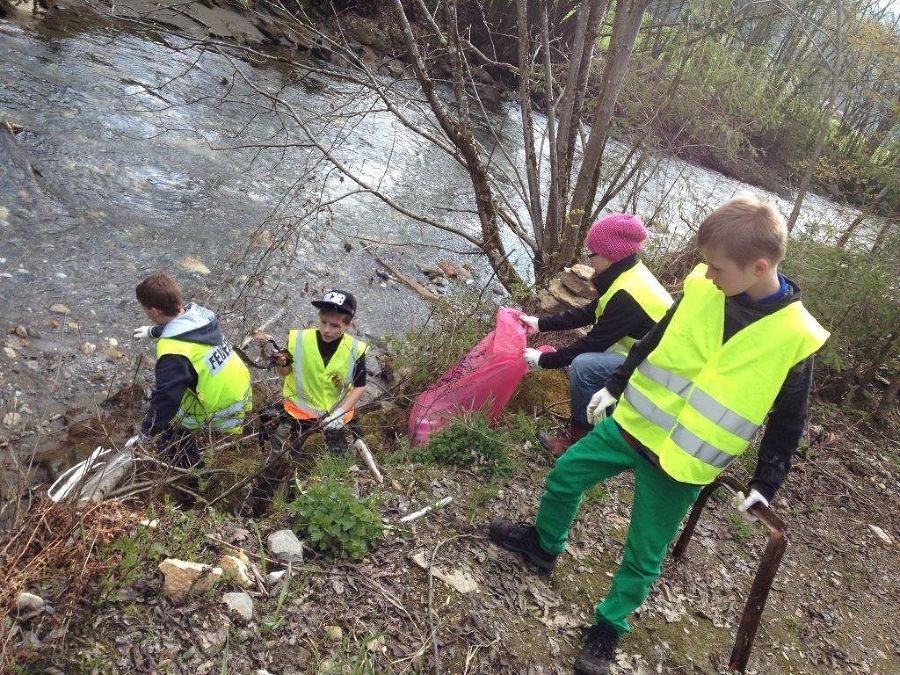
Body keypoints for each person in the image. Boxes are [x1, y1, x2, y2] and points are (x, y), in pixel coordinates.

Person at [490, 195, 829, 674]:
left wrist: (766, 483)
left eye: (717, 267)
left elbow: (789, 420)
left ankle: (608, 627)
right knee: (565, 474)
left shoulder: (795, 335)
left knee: (644, 551)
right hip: (636, 423)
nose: (707, 274)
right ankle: (543, 546)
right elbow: (656, 340)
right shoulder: (704, 288)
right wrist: (614, 384)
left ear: (757, 266)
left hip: (684, 460)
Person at [519, 213, 672, 456]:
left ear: (610, 254)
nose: (589, 260)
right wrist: (540, 323)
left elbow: (592, 343)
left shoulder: (629, 293)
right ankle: (601, 431)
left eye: (592, 253)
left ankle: (580, 444)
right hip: (642, 356)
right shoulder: (629, 273)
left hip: (658, 371)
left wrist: (543, 360)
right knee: (588, 363)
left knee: (584, 366)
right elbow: (592, 312)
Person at [132, 272, 252, 479]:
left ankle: (195, 479)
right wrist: (154, 331)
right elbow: (184, 328)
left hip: (222, 405)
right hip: (238, 384)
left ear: (153, 310)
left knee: (170, 436)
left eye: (145, 309)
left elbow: (167, 398)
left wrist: (146, 432)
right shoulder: (203, 315)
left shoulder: (173, 352)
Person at [268, 289, 368, 455]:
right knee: (279, 455)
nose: (327, 330)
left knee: (340, 459)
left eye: (335, 325)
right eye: (323, 322)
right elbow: (285, 373)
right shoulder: (298, 339)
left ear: (348, 325)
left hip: (335, 414)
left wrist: (340, 414)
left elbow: (360, 387)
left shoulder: (356, 350)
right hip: (298, 412)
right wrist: (282, 363)